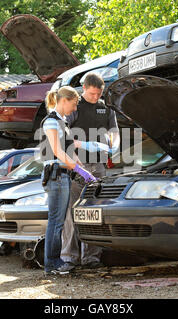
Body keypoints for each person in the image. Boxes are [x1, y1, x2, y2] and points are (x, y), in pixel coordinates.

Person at [61, 73, 120, 270]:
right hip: (78, 165)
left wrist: (115, 144)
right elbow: (63, 133)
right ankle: (69, 258)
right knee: (72, 212)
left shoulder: (106, 108)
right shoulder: (74, 107)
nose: (96, 97)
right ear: (84, 88)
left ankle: (92, 258)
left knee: (95, 211)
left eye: (99, 94)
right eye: (93, 93)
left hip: (99, 165)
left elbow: (114, 131)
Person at [40, 86, 97, 276]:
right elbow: (57, 151)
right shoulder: (51, 122)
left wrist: (84, 170)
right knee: (56, 222)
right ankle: (52, 263)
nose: (74, 109)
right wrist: (78, 168)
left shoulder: (63, 123)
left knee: (60, 222)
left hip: (63, 176)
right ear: (64, 101)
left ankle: (56, 262)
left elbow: (70, 150)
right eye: (73, 105)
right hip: (55, 175)